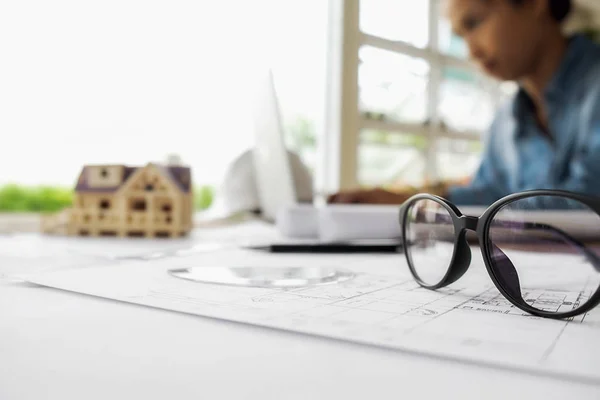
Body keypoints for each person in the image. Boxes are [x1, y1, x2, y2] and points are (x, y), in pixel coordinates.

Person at [328, 0, 600, 206]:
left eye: (473, 23)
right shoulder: (505, 123)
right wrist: (408, 202)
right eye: (461, 36)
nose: (472, 51)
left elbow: (586, 200)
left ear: (534, 3)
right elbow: (489, 192)